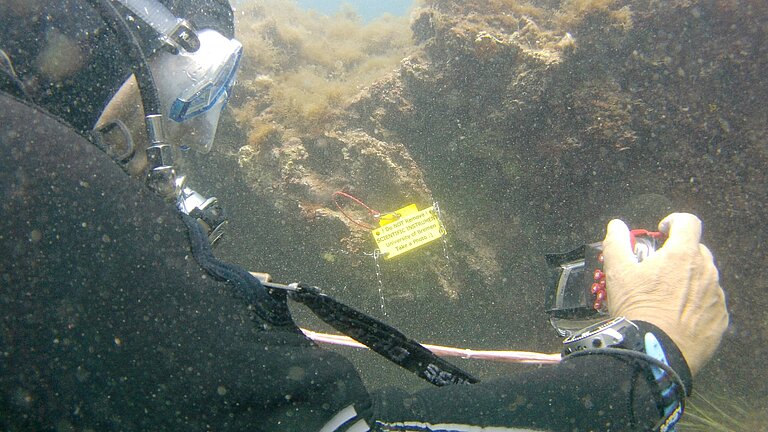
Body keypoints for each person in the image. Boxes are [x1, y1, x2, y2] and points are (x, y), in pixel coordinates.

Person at [0, 1, 728, 431]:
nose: (187, 138)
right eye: (191, 90)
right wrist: (640, 371)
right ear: (81, 39)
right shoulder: (31, 178)